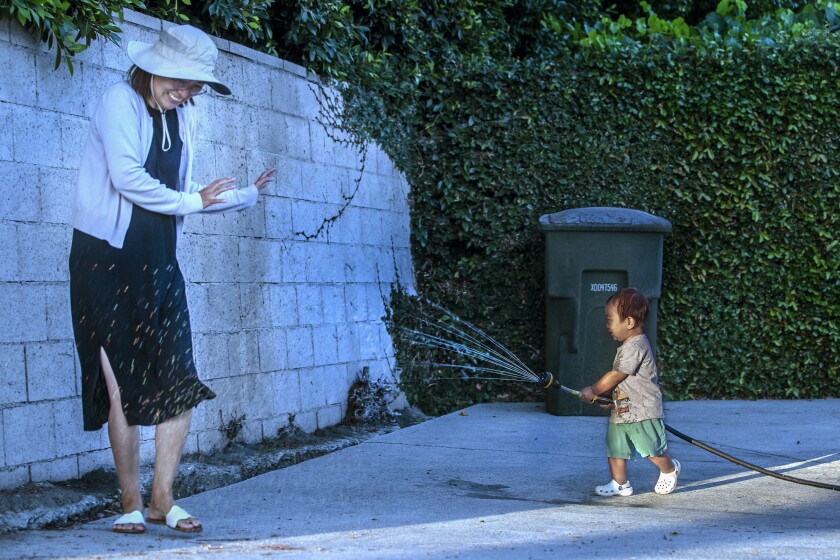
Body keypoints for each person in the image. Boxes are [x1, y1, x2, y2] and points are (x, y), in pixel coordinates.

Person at [69, 24, 276, 534]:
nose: (185, 93)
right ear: (154, 68)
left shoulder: (186, 117)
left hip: (160, 261)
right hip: (107, 262)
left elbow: (188, 192)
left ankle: (163, 498)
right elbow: (128, 178)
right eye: (180, 82)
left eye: (193, 86)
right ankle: (129, 501)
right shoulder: (120, 100)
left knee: (179, 382)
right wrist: (193, 200)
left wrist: (245, 194)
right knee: (123, 388)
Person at [578, 287, 680, 497]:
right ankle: (620, 483)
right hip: (623, 409)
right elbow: (624, 383)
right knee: (615, 448)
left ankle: (669, 469)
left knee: (651, 449)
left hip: (643, 409)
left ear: (629, 322)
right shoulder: (628, 345)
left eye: (611, 320)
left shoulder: (636, 345)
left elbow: (617, 375)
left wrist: (594, 389)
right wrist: (608, 398)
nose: (608, 326)